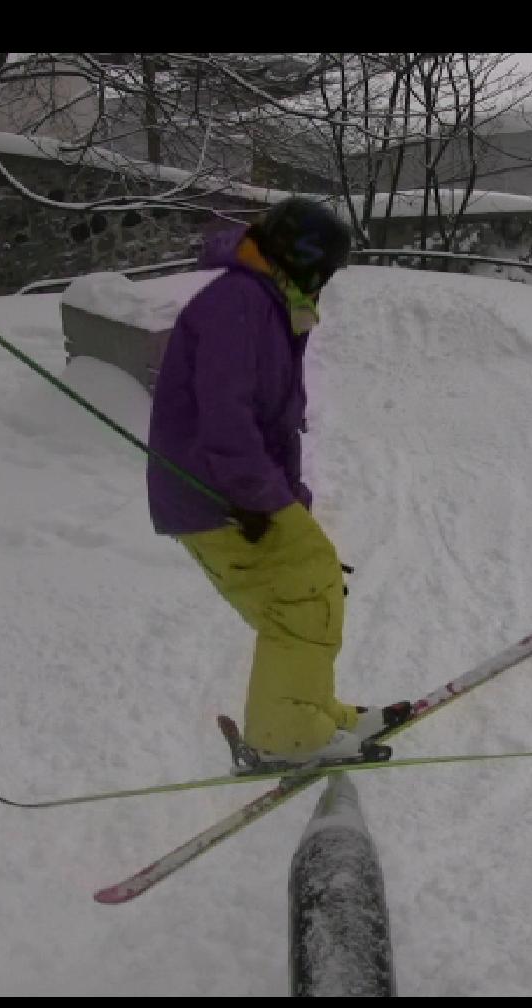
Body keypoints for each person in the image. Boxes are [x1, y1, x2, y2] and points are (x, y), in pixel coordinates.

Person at [146, 199, 401, 768]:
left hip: (231, 491)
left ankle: (312, 711)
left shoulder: (265, 302)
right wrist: (260, 499)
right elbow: (227, 419)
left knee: (309, 589)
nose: (326, 283)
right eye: (325, 270)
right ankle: (287, 734)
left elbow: (275, 423)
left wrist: (290, 502)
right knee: (303, 594)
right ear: (303, 259)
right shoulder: (239, 304)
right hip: (216, 493)